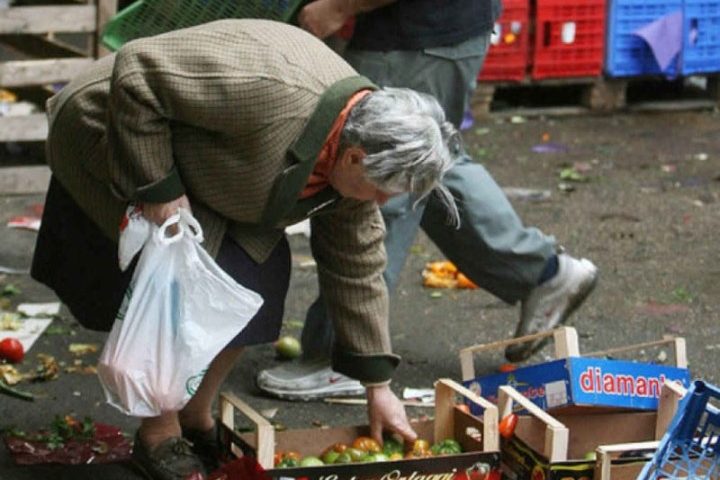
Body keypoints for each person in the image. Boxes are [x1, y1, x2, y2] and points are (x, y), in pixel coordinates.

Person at [30, 19, 462, 480]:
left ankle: (196, 414)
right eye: (382, 189)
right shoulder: (269, 90)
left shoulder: (355, 154)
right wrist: (157, 188)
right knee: (178, 282)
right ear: (354, 157)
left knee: (258, 281)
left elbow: (357, 266)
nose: (381, 203)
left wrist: (378, 386)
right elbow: (137, 73)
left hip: (214, 165)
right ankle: (159, 433)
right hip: (115, 126)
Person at [256, 0, 599, 400]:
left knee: (379, 173)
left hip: (419, 31)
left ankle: (345, 358)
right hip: (434, 30)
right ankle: (541, 272)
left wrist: (339, 6)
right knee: (423, 161)